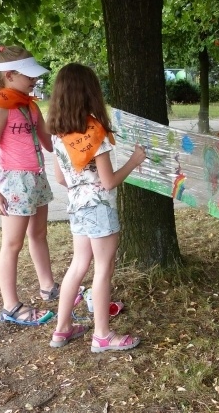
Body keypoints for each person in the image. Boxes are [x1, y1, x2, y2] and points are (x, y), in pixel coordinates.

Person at [46, 63, 146, 351]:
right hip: (99, 208)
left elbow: (60, 178)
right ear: (90, 93)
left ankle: (62, 329)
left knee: (78, 265)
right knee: (103, 268)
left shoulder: (58, 133)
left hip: (77, 206)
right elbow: (109, 181)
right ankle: (102, 335)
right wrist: (134, 161)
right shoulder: (93, 132)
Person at [0, 45, 59, 326]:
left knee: (39, 234)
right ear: (9, 76)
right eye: (28, 76)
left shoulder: (30, 105)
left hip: (37, 178)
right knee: (12, 244)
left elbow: (49, 143)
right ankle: (10, 306)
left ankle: (48, 287)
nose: (34, 80)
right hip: (15, 182)